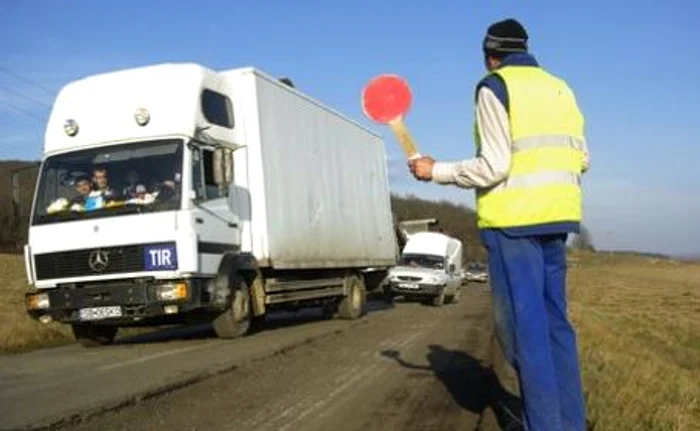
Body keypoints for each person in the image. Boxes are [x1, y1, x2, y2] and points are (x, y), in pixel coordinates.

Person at [408, 18, 589, 431]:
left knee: (526, 333)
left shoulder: (495, 87)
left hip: (514, 223)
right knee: (557, 324)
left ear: (490, 56)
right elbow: (583, 158)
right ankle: (571, 423)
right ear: (526, 48)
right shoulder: (560, 88)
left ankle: (544, 424)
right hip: (557, 218)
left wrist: (437, 171)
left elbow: (494, 166)